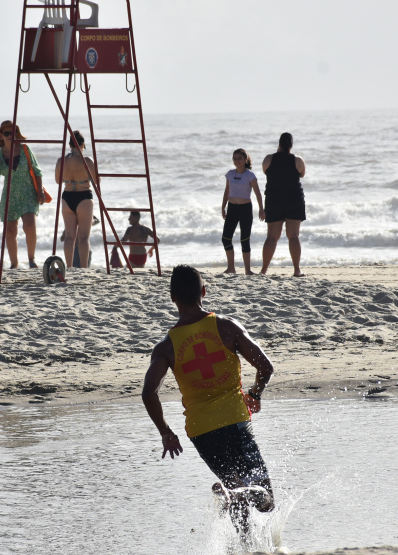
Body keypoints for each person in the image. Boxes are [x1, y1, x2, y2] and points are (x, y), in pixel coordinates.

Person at [142, 265, 275, 536]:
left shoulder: (166, 347)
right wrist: (255, 393)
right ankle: (237, 497)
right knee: (266, 501)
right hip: (235, 422)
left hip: (201, 432)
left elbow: (148, 392)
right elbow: (265, 366)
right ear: (203, 291)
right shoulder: (226, 328)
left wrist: (166, 432)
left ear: (172, 298)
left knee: (234, 489)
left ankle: (243, 543)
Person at [0, 120, 44, 269]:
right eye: (7, 133)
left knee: (30, 225)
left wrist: (41, 191)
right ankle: (14, 264)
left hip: (28, 193)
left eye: (13, 133)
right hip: (10, 196)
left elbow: (37, 171)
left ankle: (32, 260)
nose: (10, 136)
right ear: (1, 136)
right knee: (10, 230)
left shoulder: (25, 149)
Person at [260, 133, 306, 276]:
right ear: (291, 145)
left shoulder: (268, 159)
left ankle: (264, 270)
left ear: (279, 143)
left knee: (272, 237)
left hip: (274, 199)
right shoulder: (298, 160)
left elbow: (265, 172)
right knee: (294, 236)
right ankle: (297, 270)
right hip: (294, 199)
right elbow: (302, 174)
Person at [56, 130, 98, 269]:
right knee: (84, 237)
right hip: (84, 196)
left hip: (67, 197)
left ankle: (69, 267)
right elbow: (97, 181)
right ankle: (84, 268)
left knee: (69, 236)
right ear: (82, 144)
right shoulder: (87, 161)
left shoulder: (61, 161)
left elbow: (58, 180)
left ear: (69, 144)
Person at [221, 148, 264, 275]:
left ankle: (247, 270)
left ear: (245, 160)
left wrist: (262, 209)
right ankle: (231, 267)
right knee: (226, 238)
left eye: (239, 158)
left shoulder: (250, 175)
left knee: (245, 240)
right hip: (232, 208)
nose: (237, 161)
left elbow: (258, 193)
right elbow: (226, 191)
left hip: (245, 209)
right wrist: (223, 207)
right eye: (235, 158)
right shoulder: (230, 174)